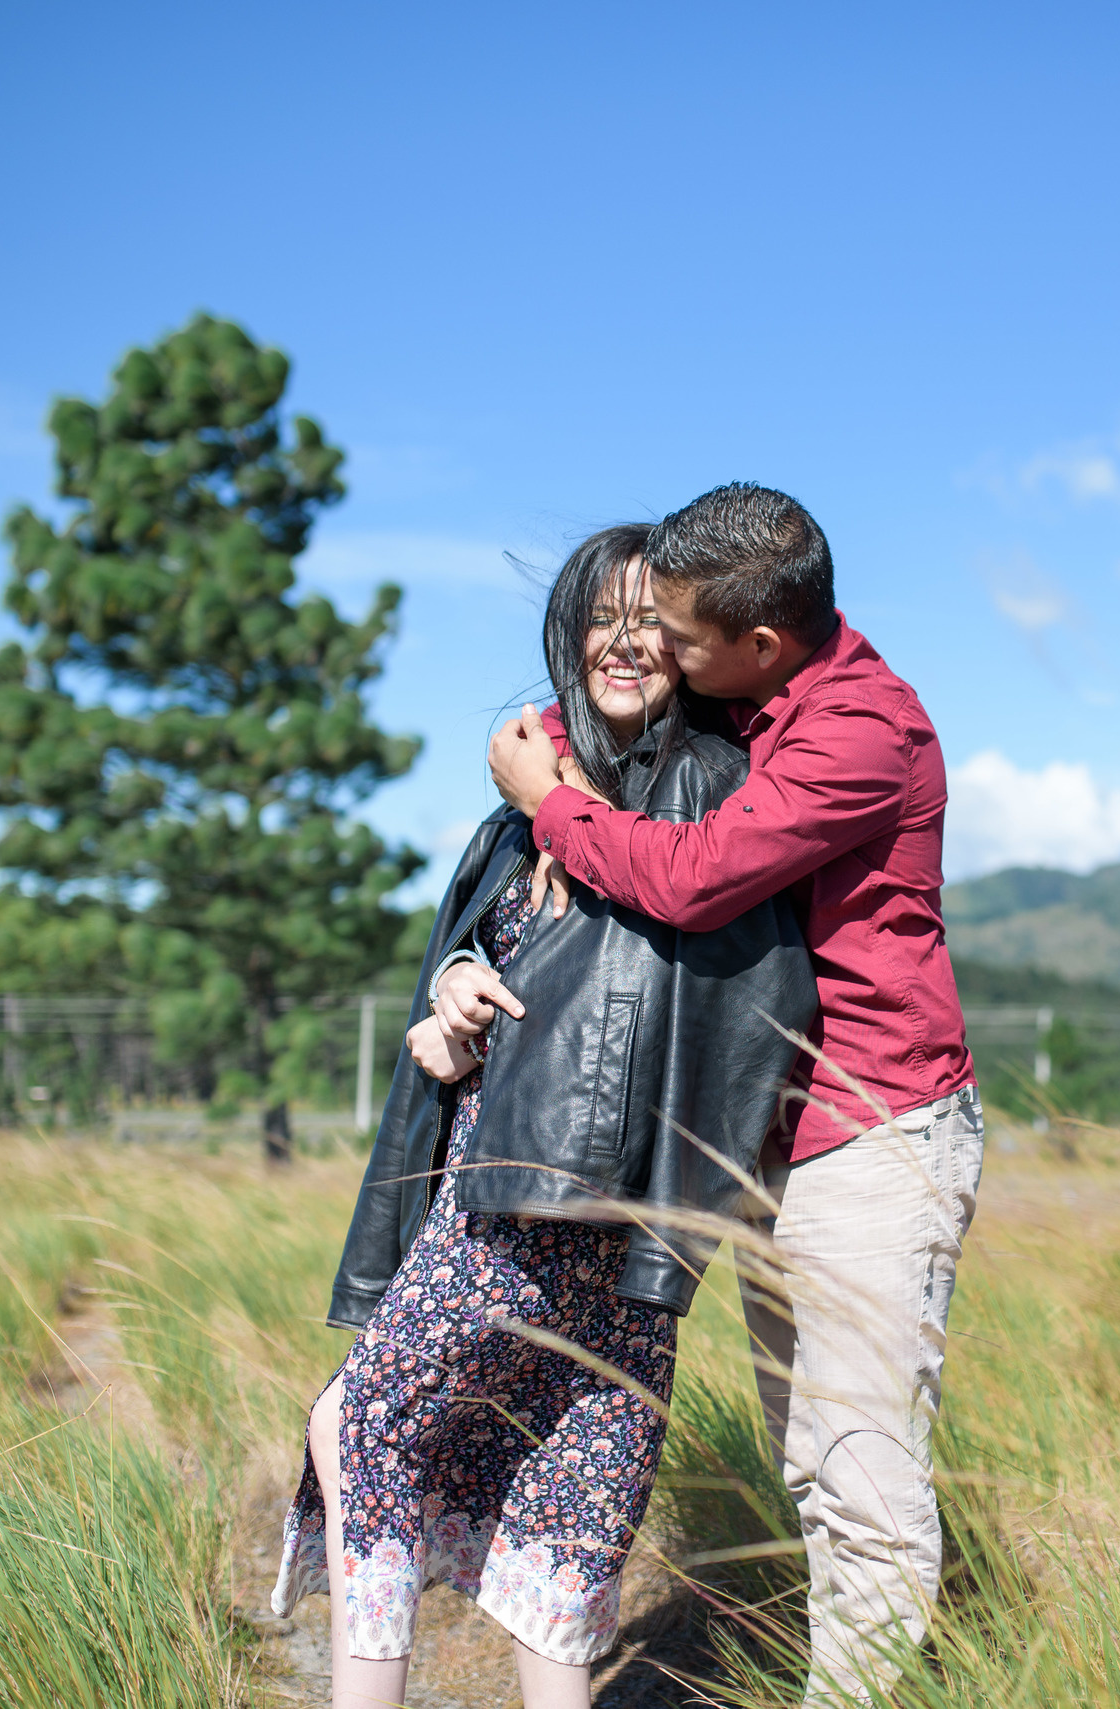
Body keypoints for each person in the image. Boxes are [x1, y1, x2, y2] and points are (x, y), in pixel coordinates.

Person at [271, 524, 816, 1709]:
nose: (626, 640)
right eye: (601, 615)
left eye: (652, 621)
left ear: (691, 644)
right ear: (572, 632)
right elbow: (501, 996)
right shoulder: (518, 815)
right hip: (526, 1196)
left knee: (361, 1426)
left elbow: (727, 995)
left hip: (545, 1207)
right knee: (570, 1495)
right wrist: (450, 997)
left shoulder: (700, 789)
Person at [471, 482, 981, 1700]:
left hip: (870, 1140)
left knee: (860, 1477)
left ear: (758, 641)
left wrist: (551, 802)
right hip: (768, 1136)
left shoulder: (862, 731)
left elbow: (696, 876)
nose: (663, 650)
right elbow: (613, 704)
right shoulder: (751, 680)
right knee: (809, 1461)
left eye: (683, 634)